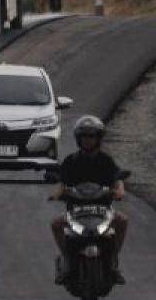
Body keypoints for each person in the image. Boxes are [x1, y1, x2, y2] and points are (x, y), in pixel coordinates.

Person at [50, 115, 129, 285]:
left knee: (122, 221)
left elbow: (117, 179)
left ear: (98, 138)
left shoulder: (106, 160)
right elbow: (60, 181)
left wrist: (119, 190)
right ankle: (67, 261)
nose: (88, 141)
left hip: (102, 211)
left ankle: (113, 260)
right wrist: (57, 192)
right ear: (78, 139)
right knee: (56, 224)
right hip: (75, 212)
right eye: (84, 137)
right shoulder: (71, 161)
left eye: (91, 137)